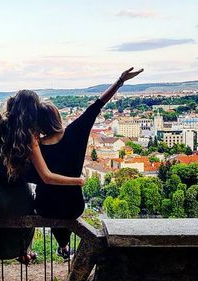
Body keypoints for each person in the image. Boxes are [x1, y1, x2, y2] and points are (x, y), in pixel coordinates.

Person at [0, 25, 85, 264]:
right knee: (32, 204)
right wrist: (77, 180)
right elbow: (47, 177)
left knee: (11, 201)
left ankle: (13, 252)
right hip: (18, 201)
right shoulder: (31, 137)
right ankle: (24, 251)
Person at [31, 67, 143, 260]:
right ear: (57, 116)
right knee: (64, 211)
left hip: (45, 206)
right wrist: (120, 81)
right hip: (74, 204)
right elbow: (97, 105)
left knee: (48, 201)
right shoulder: (75, 131)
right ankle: (64, 247)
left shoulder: (35, 145)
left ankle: (60, 247)